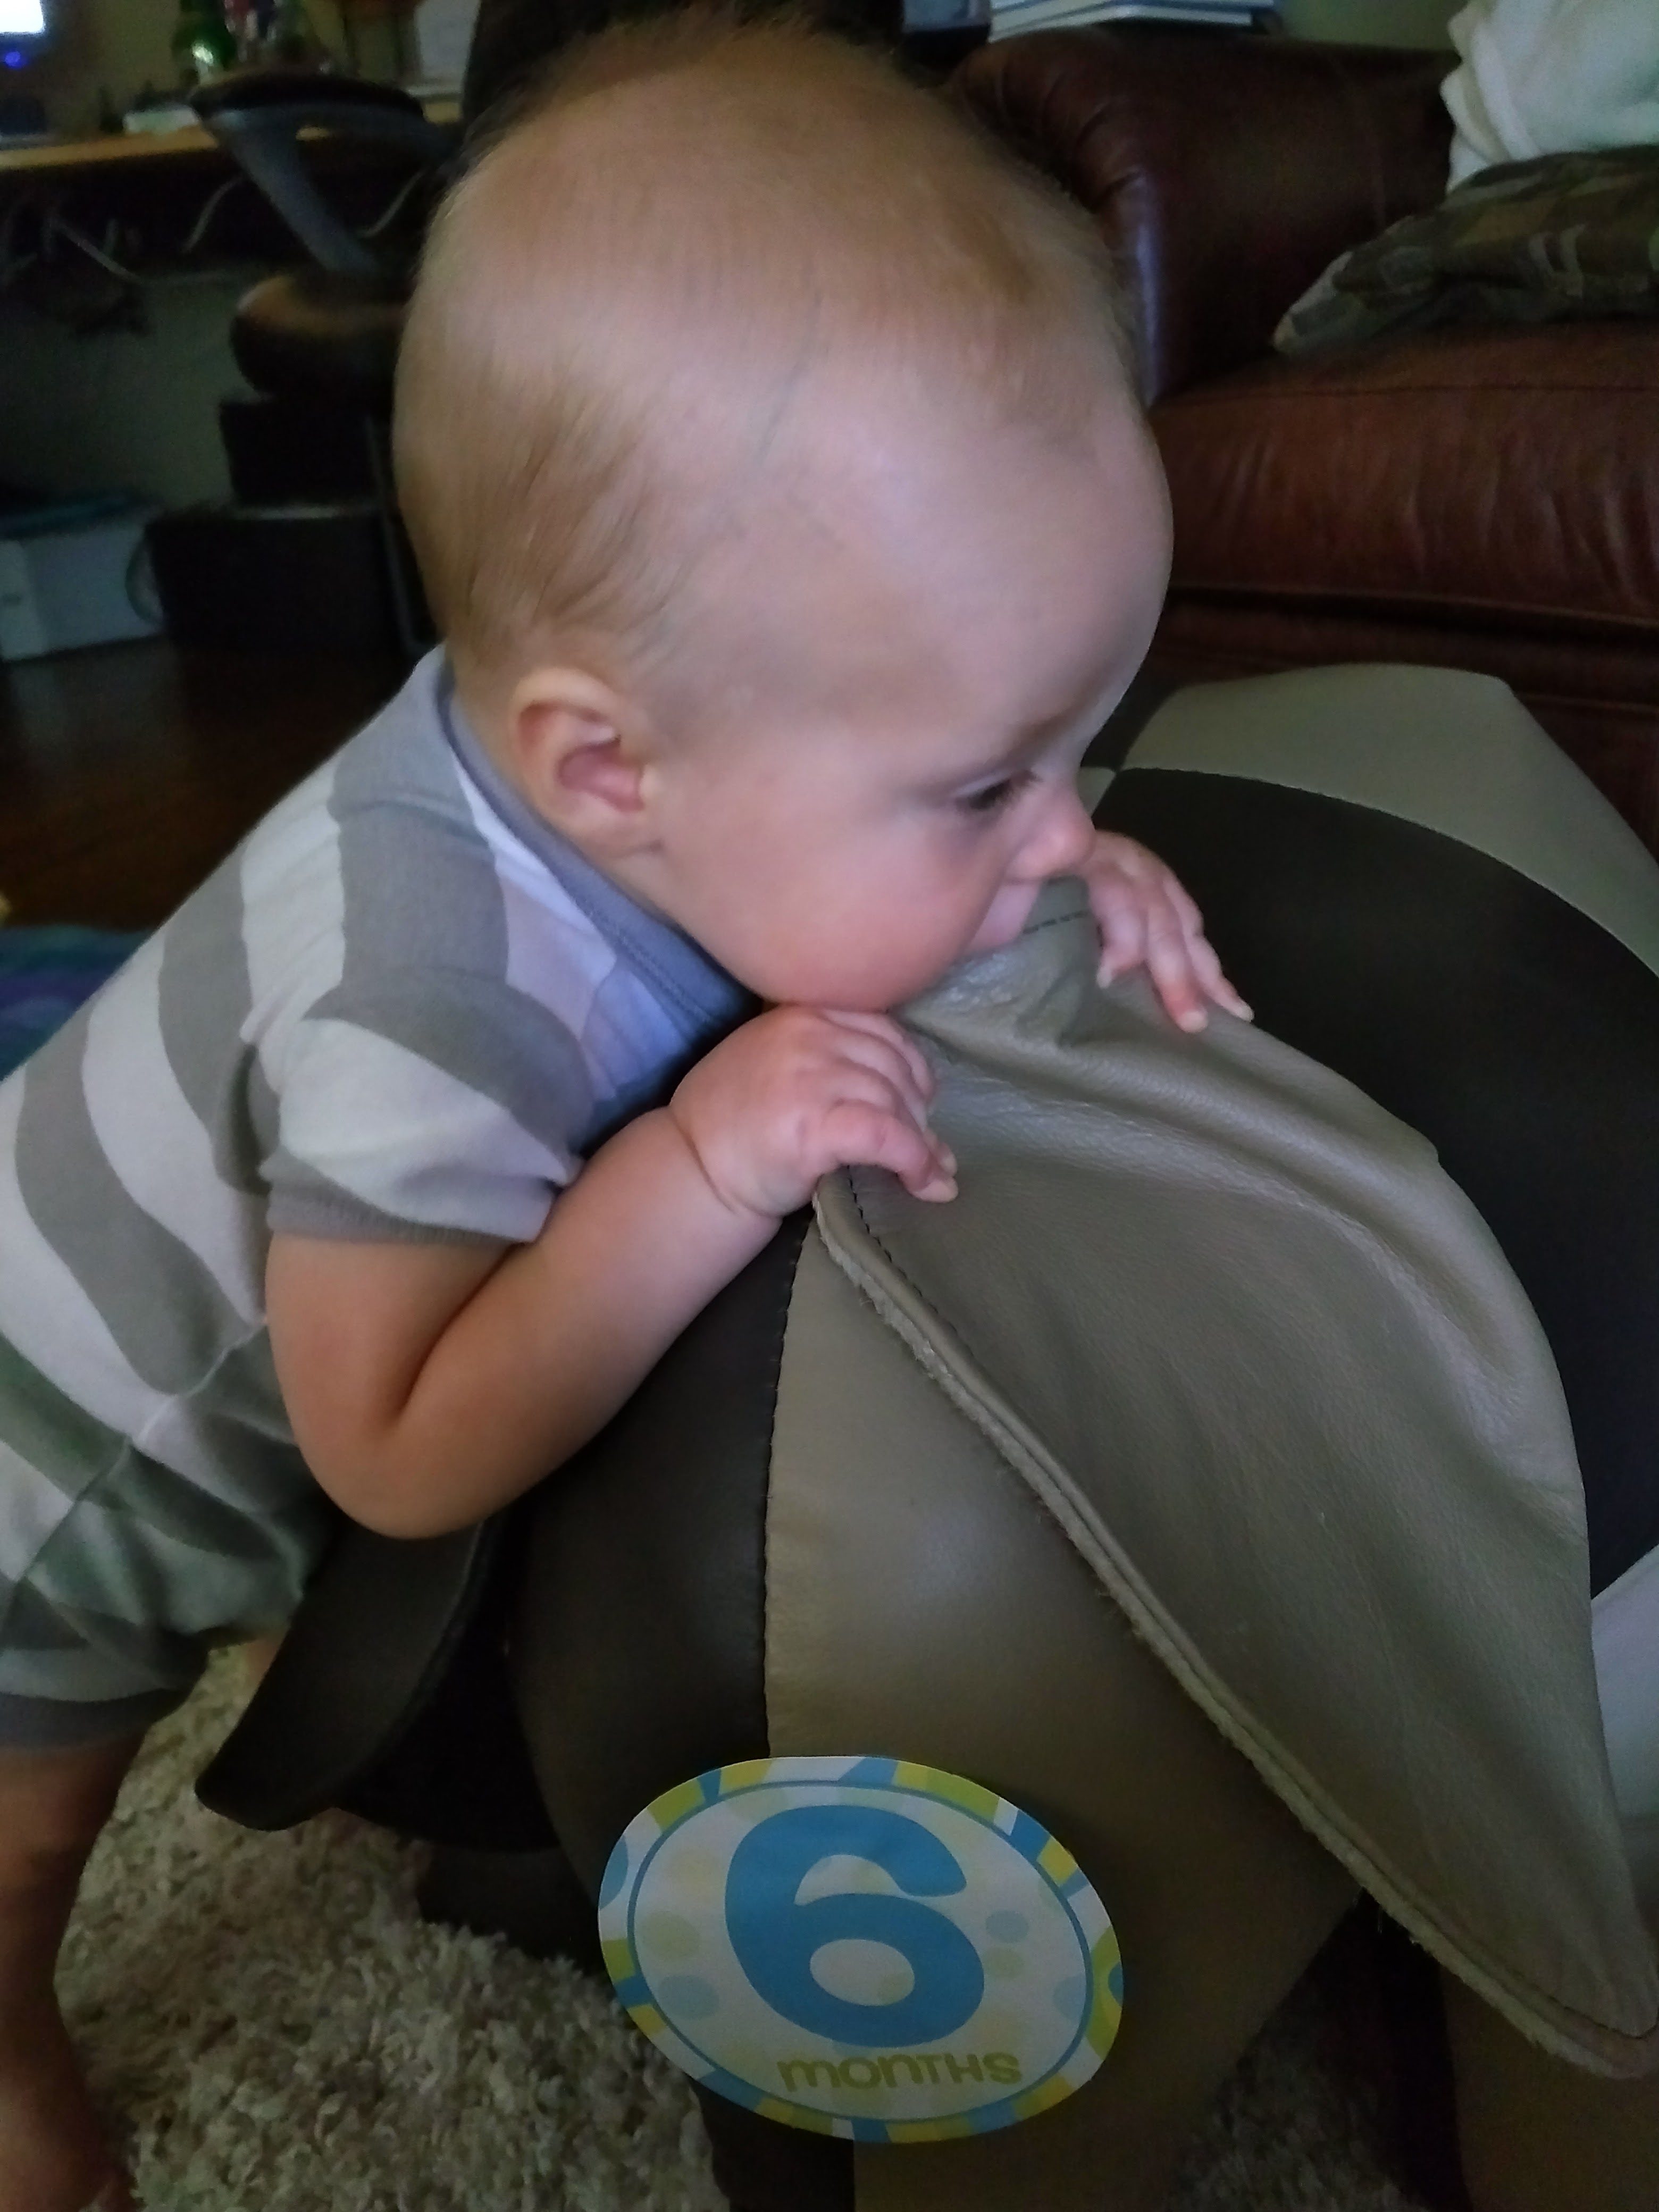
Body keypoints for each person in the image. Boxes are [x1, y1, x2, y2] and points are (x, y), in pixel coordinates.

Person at [0, 13, 1249, 2208]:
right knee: (21, 1830)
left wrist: (1055, 854)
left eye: (1077, 743)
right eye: (988, 784)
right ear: (607, 771)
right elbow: (396, 1444)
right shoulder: (428, 995)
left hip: (231, 1267)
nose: (1055, 823)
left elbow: (848, 838)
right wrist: (699, 1160)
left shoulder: (660, 749)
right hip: (49, 1462)